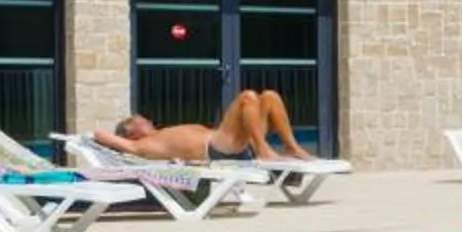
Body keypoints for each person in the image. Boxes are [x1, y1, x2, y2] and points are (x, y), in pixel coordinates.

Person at [95, 89, 317, 165]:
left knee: (270, 97)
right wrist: (85, 137)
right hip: (216, 149)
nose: (145, 120)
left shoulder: (162, 133)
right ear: (131, 134)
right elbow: (100, 134)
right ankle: (263, 149)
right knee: (247, 97)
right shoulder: (141, 146)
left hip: (228, 141)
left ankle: (292, 147)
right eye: (138, 121)